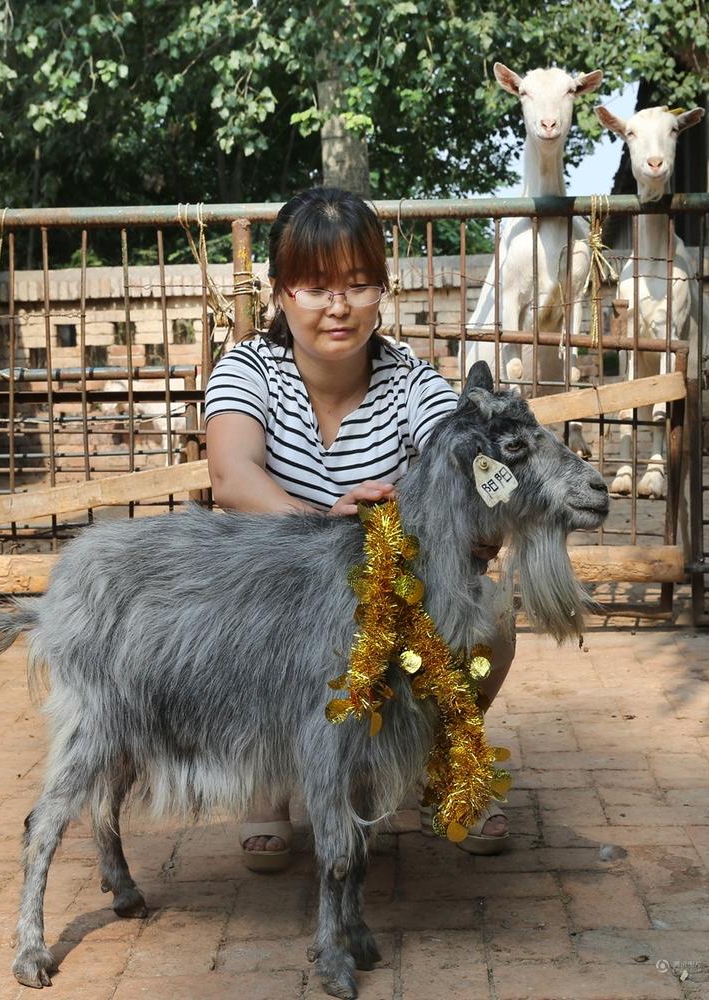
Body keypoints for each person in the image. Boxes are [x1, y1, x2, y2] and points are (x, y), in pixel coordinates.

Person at [205, 187, 511, 872]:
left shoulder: (411, 381)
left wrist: (453, 507)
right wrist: (325, 527)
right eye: (314, 286)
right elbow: (231, 475)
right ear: (280, 293)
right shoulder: (249, 369)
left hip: (386, 601)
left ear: (382, 289)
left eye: (357, 283)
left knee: (488, 612)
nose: (337, 306)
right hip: (277, 598)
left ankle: (443, 764)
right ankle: (272, 781)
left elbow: (478, 466)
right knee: (241, 623)